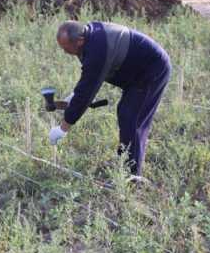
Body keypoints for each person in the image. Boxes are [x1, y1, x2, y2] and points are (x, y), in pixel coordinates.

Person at [49, 20, 171, 177]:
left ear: (79, 40)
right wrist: (75, 96)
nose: (64, 52)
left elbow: (87, 90)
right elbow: (89, 79)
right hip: (135, 72)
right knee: (125, 114)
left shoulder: (97, 49)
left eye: (66, 48)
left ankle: (131, 176)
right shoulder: (89, 37)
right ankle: (124, 164)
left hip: (152, 70)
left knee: (132, 118)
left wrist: (62, 129)